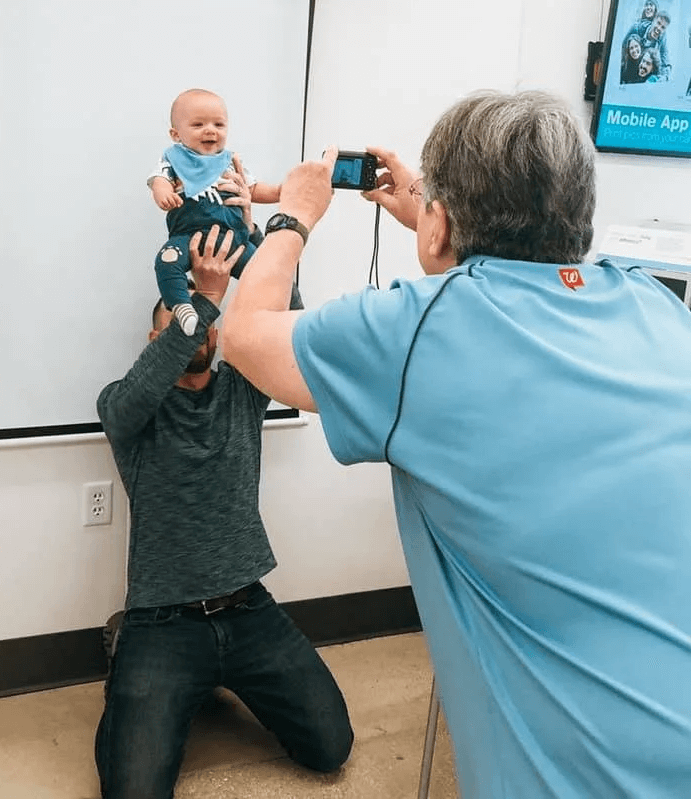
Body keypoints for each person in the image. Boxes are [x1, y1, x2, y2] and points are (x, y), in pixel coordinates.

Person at [221, 90, 691, 798]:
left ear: (439, 227)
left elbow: (244, 334)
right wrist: (429, 215)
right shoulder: (657, 305)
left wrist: (293, 215)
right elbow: (519, 277)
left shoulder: (417, 332)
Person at [95, 223, 353, 799]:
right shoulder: (126, 405)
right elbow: (158, 369)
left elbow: (290, 329)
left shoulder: (240, 389)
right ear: (153, 339)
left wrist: (252, 240)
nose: (197, 329)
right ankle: (128, 656)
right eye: (178, 318)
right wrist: (205, 300)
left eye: (204, 320)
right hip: (161, 623)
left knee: (330, 747)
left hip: (248, 610)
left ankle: (212, 681)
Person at [148, 88, 280, 335]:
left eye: (219, 124)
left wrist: (282, 191)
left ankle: (267, 320)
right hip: (189, 239)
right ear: (175, 134)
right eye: (198, 124)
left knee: (266, 273)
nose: (211, 130)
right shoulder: (173, 159)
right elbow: (159, 180)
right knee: (166, 262)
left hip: (235, 241)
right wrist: (163, 192)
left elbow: (254, 189)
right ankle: (182, 306)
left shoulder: (230, 161)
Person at [625, 10, 672, 80]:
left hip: (642, 72)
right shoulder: (637, 27)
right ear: (653, 20)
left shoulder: (662, 38)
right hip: (629, 66)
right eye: (658, 23)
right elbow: (620, 47)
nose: (659, 28)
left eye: (663, 27)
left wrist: (665, 77)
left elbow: (665, 61)